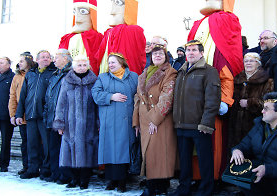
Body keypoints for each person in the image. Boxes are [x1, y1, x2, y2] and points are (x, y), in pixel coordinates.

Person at [187, 0, 244, 184]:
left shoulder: (228, 20)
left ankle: (212, 178)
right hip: (193, 95)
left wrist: (225, 98)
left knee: (212, 138)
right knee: (195, 139)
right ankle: (196, 176)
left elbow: (228, 65)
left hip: (214, 94)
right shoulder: (198, 23)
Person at [230, 92, 277, 196]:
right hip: (261, 177)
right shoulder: (259, 126)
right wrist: (237, 150)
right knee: (241, 180)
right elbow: (244, 144)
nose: (262, 111)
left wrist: (267, 169)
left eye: (266, 109)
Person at [172, 40, 221, 196]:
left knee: (204, 160)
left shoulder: (209, 71)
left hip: (199, 125)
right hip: (181, 125)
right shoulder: (181, 71)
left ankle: (206, 190)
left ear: (201, 53)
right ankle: (184, 188)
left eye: (194, 50)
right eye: (188, 50)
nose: (190, 53)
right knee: (184, 162)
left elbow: (213, 100)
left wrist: (206, 123)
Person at [133, 44, 178, 196]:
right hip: (144, 120)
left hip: (160, 119)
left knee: (157, 154)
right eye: (154, 54)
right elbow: (137, 98)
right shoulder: (144, 73)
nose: (157, 56)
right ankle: (159, 185)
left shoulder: (170, 72)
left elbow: (167, 98)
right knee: (152, 154)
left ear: (166, 56)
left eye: (160, 54)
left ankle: (153, 187)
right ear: (150, 57)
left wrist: (155, 119)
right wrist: (136, 122)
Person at [92, 53, 138, 193]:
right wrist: (111, 96)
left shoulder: (134, 77)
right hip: (109, 120)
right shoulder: (102, 77)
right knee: (110, 150)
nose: (110, 65)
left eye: (113, 62)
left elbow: (139, 96)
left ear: (121, 63)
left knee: (124, 150)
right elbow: (95, 94)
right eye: (109, 62)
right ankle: (111, 180)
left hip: (127, 120)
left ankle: (123, 181)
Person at [53, 56, 99, 190]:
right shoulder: (67, 81)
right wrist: (59, 123)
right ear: (73, 67)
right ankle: (74, 178)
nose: (82, 67)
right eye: (79, 65)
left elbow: (97, 105)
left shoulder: (94, 81)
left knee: (87, 151)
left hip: (88, 125)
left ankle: (84, 179)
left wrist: (98, 123)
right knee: (70, 151)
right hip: (70, 124)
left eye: (84, 65)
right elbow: (60, 103)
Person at [15, 50, 57, 179]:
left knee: (46, 145)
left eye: (48, 57)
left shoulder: (53, 73)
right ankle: (33, 168)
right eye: (43, 57)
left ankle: (46, 169)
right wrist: (18, 114)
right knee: (32, 144)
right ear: (37, 60)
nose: (45, 59)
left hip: (45, 116)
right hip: (30, 114)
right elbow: (23, 95)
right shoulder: (30, 74)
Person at [96, 0, 146, 75]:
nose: (112, 11)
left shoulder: (134, 31)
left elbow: (136, 61)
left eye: (118, 3)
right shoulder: (108, 33)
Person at [228, 52, 273, 153]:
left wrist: (250, 103)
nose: (248, 63)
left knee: (252, 155)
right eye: (246, 61)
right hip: (235, 126)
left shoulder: (267, 82)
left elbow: (268, 105)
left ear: (258, 63)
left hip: (254, 126)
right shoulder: (237, 79)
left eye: (252, 61)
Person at [42, 49, 72, 183]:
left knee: (64, 150)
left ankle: (64, 175)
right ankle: (55, 173)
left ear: (65, 59)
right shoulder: (55, 75)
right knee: (53, 149)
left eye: (56, 57)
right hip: (52, 118)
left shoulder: (71, 75)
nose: (54, 60)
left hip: (64, 119)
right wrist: (46, 115)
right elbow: (48, 97)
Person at [59, 0, 103, 74]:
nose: (77, 19)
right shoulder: (66, 39)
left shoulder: (97, 38)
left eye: (83, 11)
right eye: (74, 12)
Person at [8, 52, 35, 175]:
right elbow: (13, 96)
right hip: (22, 115)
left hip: (33, 114)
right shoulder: (17, 77)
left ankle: (35, 166)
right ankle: (26, 165)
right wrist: (13, 114)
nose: (19, 63)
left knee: (34, 142)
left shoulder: (35, 74)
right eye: (19, 61)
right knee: (25, 142)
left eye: (22, 61)